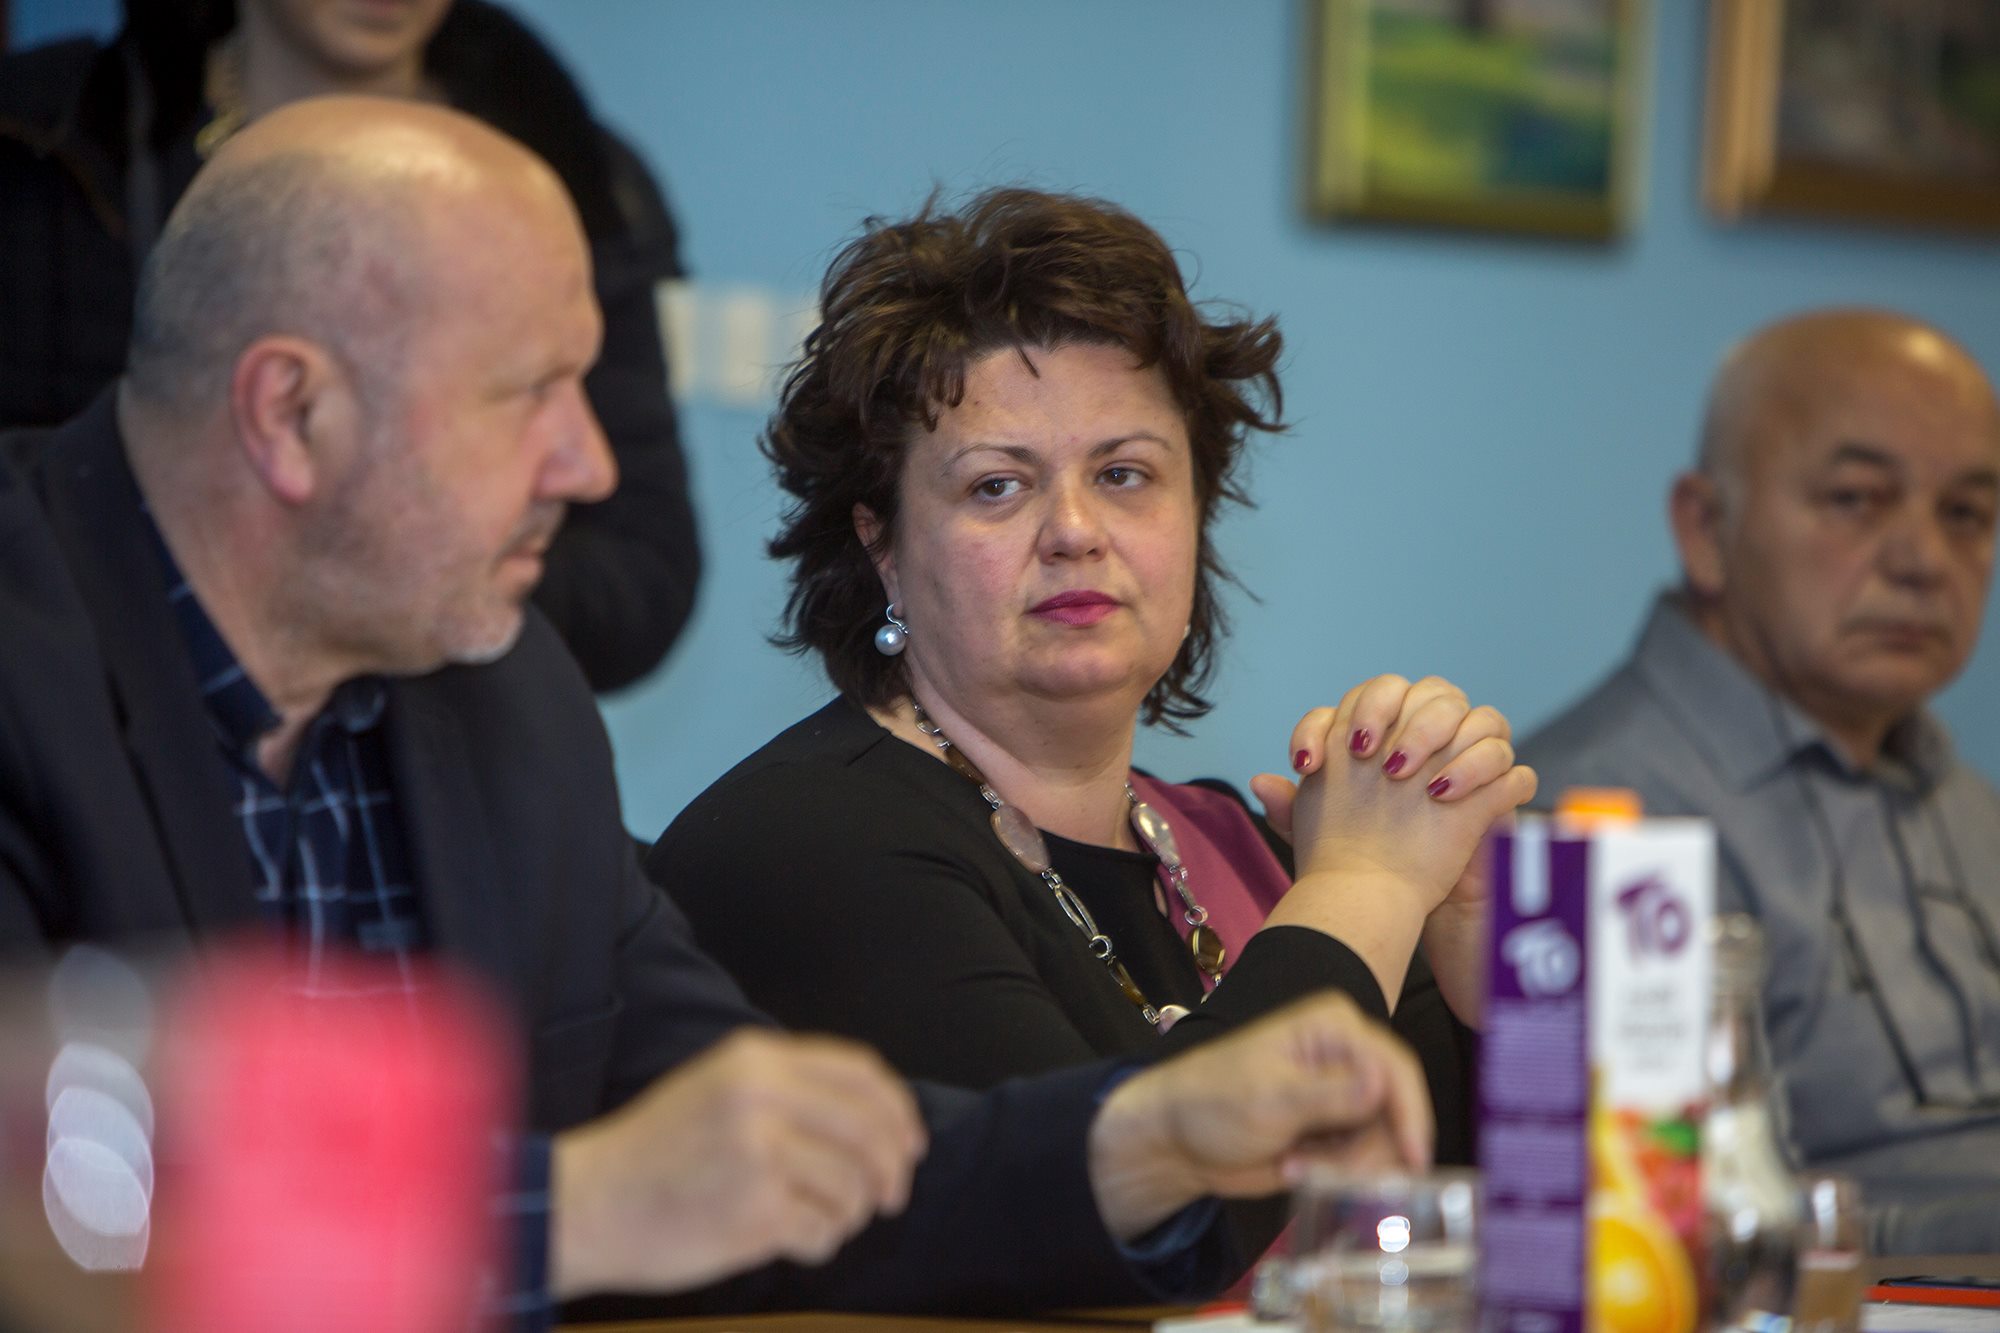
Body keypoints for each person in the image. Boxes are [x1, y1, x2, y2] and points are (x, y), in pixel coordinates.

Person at [0, 96, 1452, 1330]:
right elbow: (45, 1221)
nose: (587, 466)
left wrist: (1149, 1133)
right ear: (290, 414)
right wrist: (573, 1212)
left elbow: (796, 1151)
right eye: (526, 394)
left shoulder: (506, 700)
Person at [650, 188, 1536, 1162]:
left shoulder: (1246, 849)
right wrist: (1368, 882)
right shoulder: (800, 848)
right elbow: (1109, 1216)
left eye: (1123, 474)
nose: (1074, 531)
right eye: (997, 485)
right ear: (883, 547)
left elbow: (1455, 1224)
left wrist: (1485, 990)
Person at [0, 0, 697, 691]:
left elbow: (643, 574)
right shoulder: (47, 138)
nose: (588, 469)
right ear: (283, 401)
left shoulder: (581, 180)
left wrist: (399, 583)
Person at [1521, 308, 2000, 1253]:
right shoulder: (1593, 822)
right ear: (1706, 528)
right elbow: (1690, 1222)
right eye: (1858, 498)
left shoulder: (1966, 802)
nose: (1922, 560)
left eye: (1966, 514)